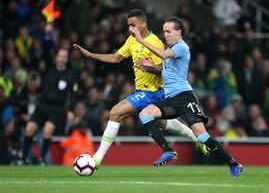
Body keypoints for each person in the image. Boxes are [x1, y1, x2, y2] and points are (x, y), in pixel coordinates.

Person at [73, 9, 208, 167]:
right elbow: (116, 58)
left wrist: (148, 67)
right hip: (142, 91)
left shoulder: (155, 42)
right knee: (163, 124)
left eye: (133, 25)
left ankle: (97, 158)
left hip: (153, 92)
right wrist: (90, 55)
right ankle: (196, 139)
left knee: (115, 112)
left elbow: (163, 69)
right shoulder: (131, 41)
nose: (130, 29)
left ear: (143, 24)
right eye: (128, 25)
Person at [130, 16, 243, 176]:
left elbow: (162, 55)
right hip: (171, 100)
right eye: (164, 31)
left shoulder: (182, 47)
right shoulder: (171, 51)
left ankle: (233, 163)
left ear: (179, 32)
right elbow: (165, 70)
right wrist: (149, 67)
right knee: (145, 114)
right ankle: (167, 149)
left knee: (201, 135)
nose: (165, 35)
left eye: (168, 31)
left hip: (184, 97)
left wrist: (141, 40)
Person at [22, 23, 78, 165]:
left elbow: (72, 95)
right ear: (56, 57)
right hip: (43, 104)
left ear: (67, 59)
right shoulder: (49, 68)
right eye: (60, 56)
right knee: (29, 129)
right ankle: (22, 159)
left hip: (57, 108)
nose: (62, 59)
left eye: (64, 57)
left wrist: (71, 110)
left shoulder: (71, 75)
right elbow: (46, 51)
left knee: (47, 131)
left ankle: (41, 158)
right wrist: (47, 35)